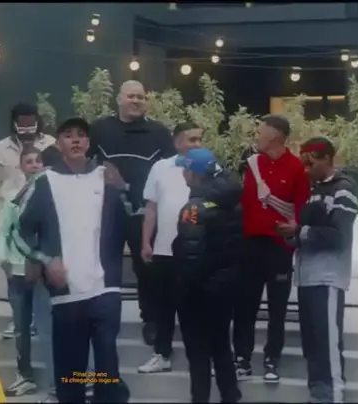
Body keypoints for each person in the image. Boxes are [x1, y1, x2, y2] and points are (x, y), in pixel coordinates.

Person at [13, 117, 130, 403]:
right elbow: (16, 230)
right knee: (71, 376)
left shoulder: (106, 176)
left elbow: (133, 219)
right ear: (59, 144)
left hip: (106, 289)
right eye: (68, 135)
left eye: (81, 135)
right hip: (66, 294)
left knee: (107, 372)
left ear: (88, 143)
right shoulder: (44, 182)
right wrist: (44, 259)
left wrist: (124, 189)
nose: (76, 140)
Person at [88, 80, 175, 345]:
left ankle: (151, 320)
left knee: (146, 267)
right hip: (106, 211)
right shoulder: (99, 129)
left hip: (144, 212)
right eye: (131, 96)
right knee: (106, 265)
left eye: (141, 96)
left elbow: (170, 173)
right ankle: (104, 319)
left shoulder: (159, 133)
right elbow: (83, 161)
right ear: (119, 99)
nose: (136, 101)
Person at [276, 137, 358, 403]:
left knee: (327, 344)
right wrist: (291, 235)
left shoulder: (343, 189)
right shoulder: (313, 190)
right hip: (307, 277)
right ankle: (318, 395)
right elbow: (307, 232)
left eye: (310, 163)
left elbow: (339, 236)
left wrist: (299, 231)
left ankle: (332, 396)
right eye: (303, 163)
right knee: (311, 346)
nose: (306, 169)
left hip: (327, 278)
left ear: (327, 159)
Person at [233, 115, 310, 383]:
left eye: (260, 131)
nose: (256, 135)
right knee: (245, 305)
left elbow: (301, 208)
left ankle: (271, 359)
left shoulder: (297, 167)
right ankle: (241, 358)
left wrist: (295, 229)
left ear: (275, 135)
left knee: (278, 308)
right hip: (250, 244)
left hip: (279, 248)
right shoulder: (253, 163)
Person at [171, 148, 242, 403]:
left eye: (185, 169)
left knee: (198, 353)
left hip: (198, 293)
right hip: (225, 287)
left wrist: (181, 289)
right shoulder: (233, 201)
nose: (183, 173)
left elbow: (191, 256)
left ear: (194, 173)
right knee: (221, 347)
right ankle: (230, 396)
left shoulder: (195, 208)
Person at [137, 122, 202, 373]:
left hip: (197, 250)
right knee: (163, 307)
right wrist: (146, 241)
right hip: (164, 249)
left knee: (196, 308)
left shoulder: (208, 166)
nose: (197, 144)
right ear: (177, 142)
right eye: (191, 139)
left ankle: (200, 358)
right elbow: (151, 208)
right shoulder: (160, 167)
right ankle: (162, 354)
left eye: (199, 139)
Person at [0, 102, 56, 339]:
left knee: (39, 272)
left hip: (41, 218)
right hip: (12, 217)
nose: (27, 128)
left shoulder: (50, 144)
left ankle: (39, 319)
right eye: (22, 124)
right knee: (14, 274)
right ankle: (18, 319)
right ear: (14, 123)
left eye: (31, 123)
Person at [0, 147, 54, 399]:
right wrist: (3, 260)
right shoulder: (13, 197)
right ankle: (25, 376)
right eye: (28, 161)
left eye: (38, 160)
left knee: (46, 328)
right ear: (20, 166)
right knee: (21, 328)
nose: (34, 165)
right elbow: (3, 230)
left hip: (42, 272)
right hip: (17, 270)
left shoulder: (51, 194)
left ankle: (56, 383)